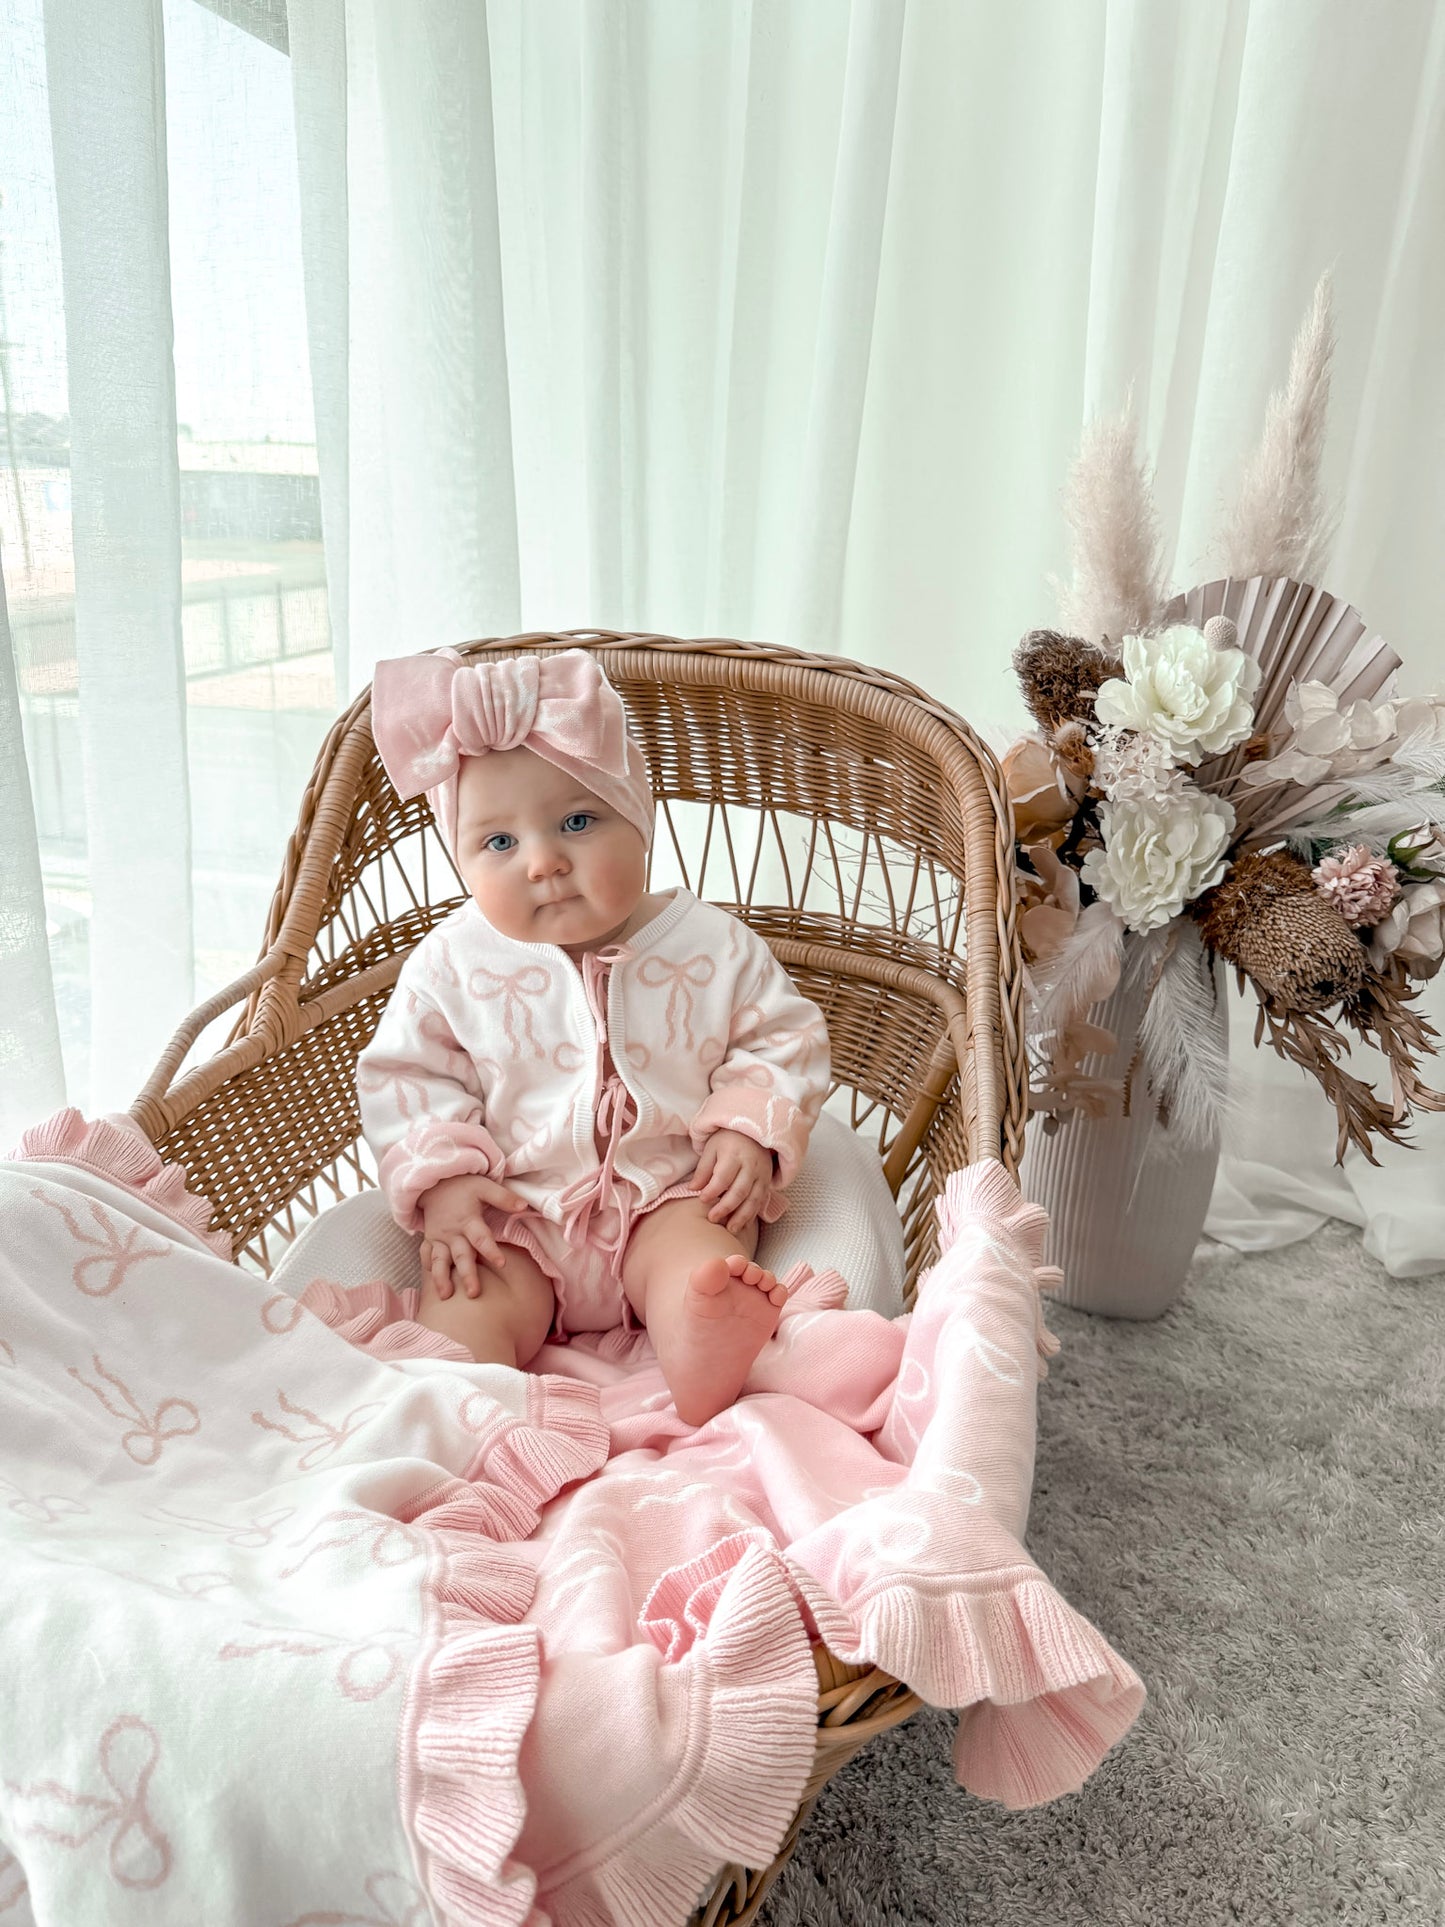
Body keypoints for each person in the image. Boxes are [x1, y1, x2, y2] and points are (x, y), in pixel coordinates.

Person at [358, 646, 831, 1427]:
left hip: (669, 1191)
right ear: (461, 858)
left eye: (578, 821)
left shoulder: (710, 944)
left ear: (638, 817)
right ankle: (452, 1407)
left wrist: (746, 1131)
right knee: (470, 1292)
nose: (543, 862)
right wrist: (442, 1182)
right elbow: (408, 1074)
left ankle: (697, 1335)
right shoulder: (450, 962)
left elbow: (779, 1036)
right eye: (498, 844)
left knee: (697, 1254)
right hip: (521, 1214)